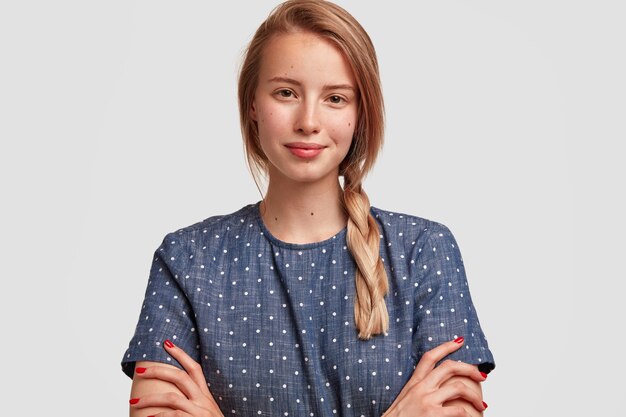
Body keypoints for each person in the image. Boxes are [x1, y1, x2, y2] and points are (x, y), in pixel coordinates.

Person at [121, 1, 495, 416]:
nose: (308, 121)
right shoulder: (188, 259)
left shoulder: (424, 251)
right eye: (286, 93)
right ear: (252, 104)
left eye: (335, 98)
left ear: (359, 113)